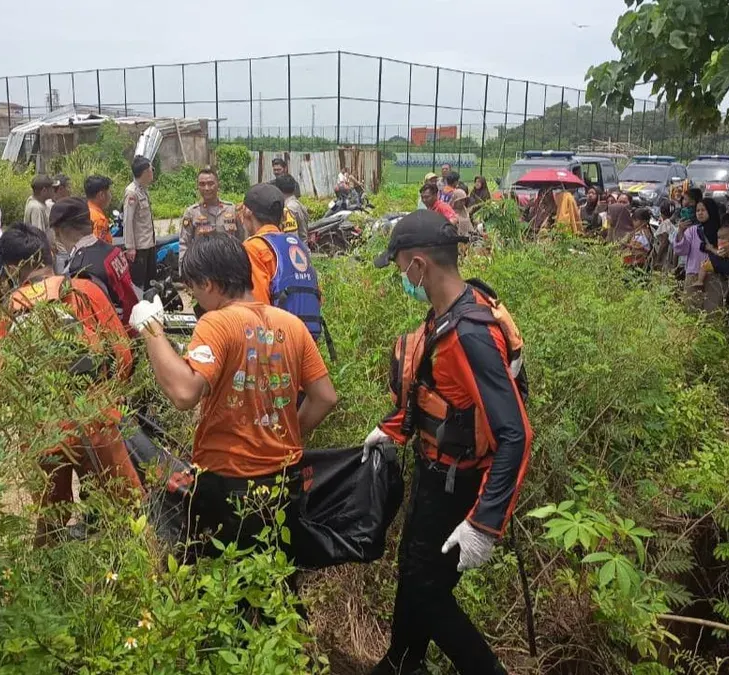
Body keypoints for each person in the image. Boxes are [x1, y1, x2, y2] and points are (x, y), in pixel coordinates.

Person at [365, 210, 532, 675]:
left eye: (399, 265)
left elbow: (515, 433)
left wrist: (485, 523)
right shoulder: (453, 309)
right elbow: (441, 394)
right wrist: (394, 428)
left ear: (419, 265)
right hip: (435, 471)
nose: (399, 275)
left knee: (428, 589)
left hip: (457, 484)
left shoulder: (469, 334)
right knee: (415, 569)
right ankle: (403, 661)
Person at [129, 232, 337, 554]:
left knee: (224, 582)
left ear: (209, 284)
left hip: (229, 483)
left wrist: (152, 330)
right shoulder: (291, 325)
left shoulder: (217, 322)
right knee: (276, 579)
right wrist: (287, 435)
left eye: (194, 289)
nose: (196, 299)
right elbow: (325, 396)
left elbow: (185, 393)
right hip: (284, 481)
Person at [0, 223, 142, 546]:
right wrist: (107, 399)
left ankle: (50, 582)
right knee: (128, 509)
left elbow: (4, 378)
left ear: (10, 268)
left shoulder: (9, 310)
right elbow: (123, 355)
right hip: (97, 420)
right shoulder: (85, 292)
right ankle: (136, 574)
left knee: (52, 516)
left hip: (43, 430)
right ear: (49, 255)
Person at [240, 184, 330, 347]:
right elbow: (317, 295)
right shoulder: (297, 245)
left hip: (276, 343)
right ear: (281, 215)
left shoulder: (254, 247)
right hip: (308, 339)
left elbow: (256, 306)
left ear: (247, 212)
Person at [51, 197, 139, 325]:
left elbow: (88, 320)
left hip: (117, 336)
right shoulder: (113, 251)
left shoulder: (80, 270)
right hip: (134, 326)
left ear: (59, 232)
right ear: (90, 224)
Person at [675, 198, 729, 312]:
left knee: (712, 313)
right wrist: (680, 232)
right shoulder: (692, 231)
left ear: (711, 210)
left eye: (703, 210)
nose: (700, 213)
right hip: (694, 276)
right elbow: (681, 251)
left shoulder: (722, 231)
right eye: (697, 210)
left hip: (715, 276)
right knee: (691, 311)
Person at [180, 167, 244, 269]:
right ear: (197, 187)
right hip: (203, 267)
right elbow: (184, 243)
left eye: (210, 183)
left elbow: (242, 239)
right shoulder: (192, 212)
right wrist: (183, 271)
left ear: (218, 185)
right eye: (202, 184)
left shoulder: (231, 209)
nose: (206, 188)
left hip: (228, 266)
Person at [122, 156, 157, 291]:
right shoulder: (132, 192)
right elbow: (128, 220)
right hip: (139, 247)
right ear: (145, 172)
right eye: (151, 169)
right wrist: (130, 247)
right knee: (139, 284)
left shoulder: (143, 189)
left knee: (151, 281)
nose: (152, 172)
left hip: (149, 243)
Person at [695, 215, 729, 297]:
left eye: (723, 238)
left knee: (704, 265)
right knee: (704, 265)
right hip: (718, 267)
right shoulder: (723, 241)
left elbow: (720, 253)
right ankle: (700, 280)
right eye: (719, 238)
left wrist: (711, 249)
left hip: (722, 266)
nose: (721, 240)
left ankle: (700, 280)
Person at [273, 173, 310, 240]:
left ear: (278, 189)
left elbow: (291, 238)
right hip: (303, 247)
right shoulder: (298, 204)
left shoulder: (288, 210)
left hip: (295, 248)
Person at [84, 175, 114, 245]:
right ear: (101, 195)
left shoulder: (84, 211)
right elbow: (99, 247)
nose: (110, 196)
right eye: (109, 192)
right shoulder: (99, 219)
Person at [25, 175, 53, 240]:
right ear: (44, 190)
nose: (53, 191)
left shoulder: (36, 202)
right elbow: (38, 235)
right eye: (51, 188)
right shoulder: (36, 208)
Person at [446, 171, 472, 237]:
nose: (463, 203)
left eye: (464, 200)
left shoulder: (464, 210)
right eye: (460, 201)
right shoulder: (450, 211)